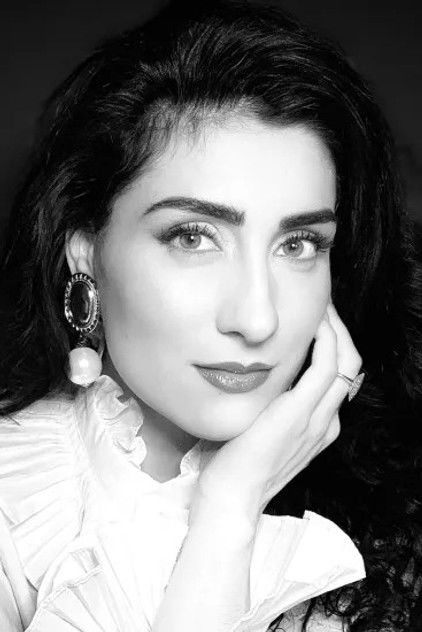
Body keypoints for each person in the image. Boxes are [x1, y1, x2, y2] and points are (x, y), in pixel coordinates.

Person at [0, 1, 421, 630]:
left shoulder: (393, 505)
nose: (257, 319)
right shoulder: (16, 509)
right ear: (85, 249)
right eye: (193, 237)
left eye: (299, 244)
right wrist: (228, 515)